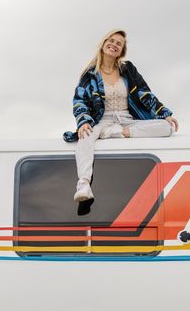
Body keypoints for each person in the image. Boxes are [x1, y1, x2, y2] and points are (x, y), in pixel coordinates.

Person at [71, 29, 179, 202]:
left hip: (126, 120)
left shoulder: (127, 69)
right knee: (85, 136)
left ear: (121, 51)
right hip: (102, 119)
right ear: (104, 43)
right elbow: (80, 99)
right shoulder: (90, 74)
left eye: (118, 44)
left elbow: (145, 93)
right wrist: (83, 120)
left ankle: (118, 134)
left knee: (167, 128)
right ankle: (83, 184)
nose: (114, 45)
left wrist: (163, 113)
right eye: (111, 40)